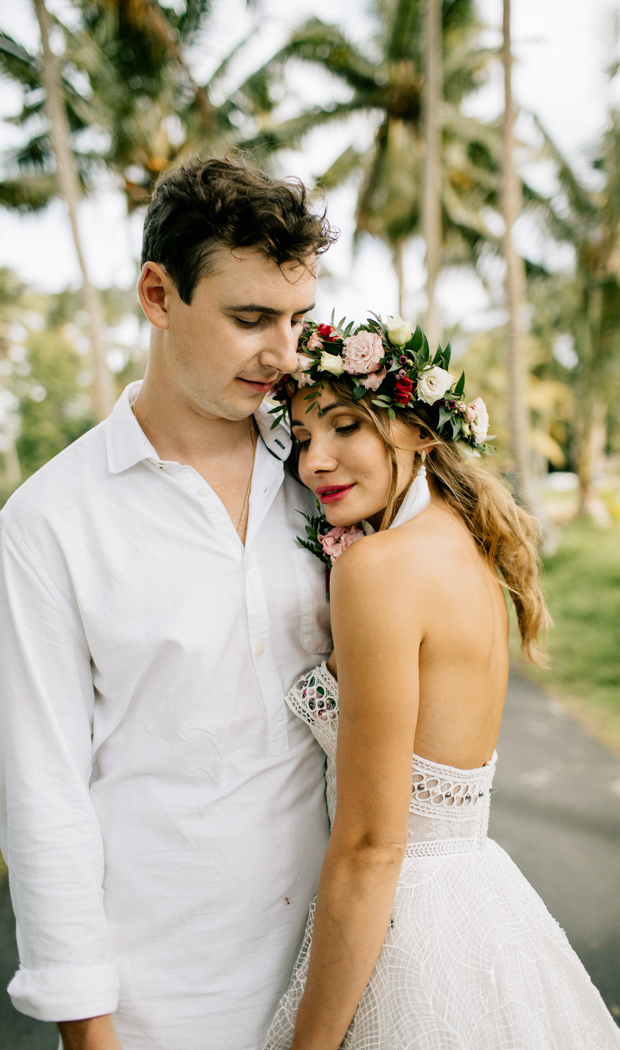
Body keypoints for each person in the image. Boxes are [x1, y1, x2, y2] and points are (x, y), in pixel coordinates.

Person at [0, 155, 337, 1050]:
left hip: (341, 970)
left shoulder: (326, 474)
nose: (285, 353)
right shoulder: (48, 521)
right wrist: (90, 1030)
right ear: (158, 293)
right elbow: (44, 794)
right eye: (251, 318)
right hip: (166, 1001)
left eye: (298, 320)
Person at [262, 317, 620, 1049]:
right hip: (478, 901)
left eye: (345, 427)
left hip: (405, 927)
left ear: (419, 431)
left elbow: (373, 845)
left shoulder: (379, 569)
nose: (315, 463)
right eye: (304, 438)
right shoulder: (468, 550)